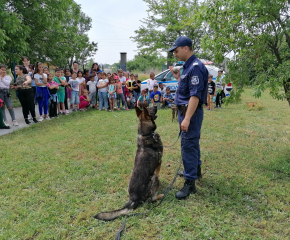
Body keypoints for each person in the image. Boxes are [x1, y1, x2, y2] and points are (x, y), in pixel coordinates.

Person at [168, 36, 208, 199]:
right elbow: (186, 90)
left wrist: (187, 118)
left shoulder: (195, 67)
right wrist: (178, 78)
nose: (175, 54)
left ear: (186, 48)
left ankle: (190, 184)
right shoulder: (188, 67)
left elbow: (195, 96)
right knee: (192, 142)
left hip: (189, 113)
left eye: (176, 51)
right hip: (186, 112)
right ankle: (195, 171)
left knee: (188, 145)